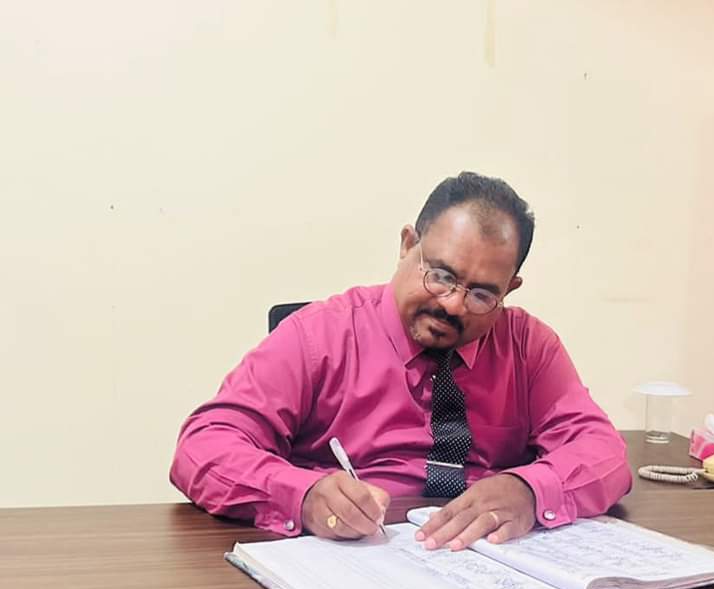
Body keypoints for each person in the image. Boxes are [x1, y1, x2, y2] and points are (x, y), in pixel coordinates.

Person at [170, 171, 632, 551]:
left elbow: (605, 454)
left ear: (509, 289)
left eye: (481, 294)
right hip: (351, 560)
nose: (453, 304)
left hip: (487, 566)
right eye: (442, 275)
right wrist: (301, 495)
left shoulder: (527, 346)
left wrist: (531, 492)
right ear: (407, 245)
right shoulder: (321, 334)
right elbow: (203, 448)